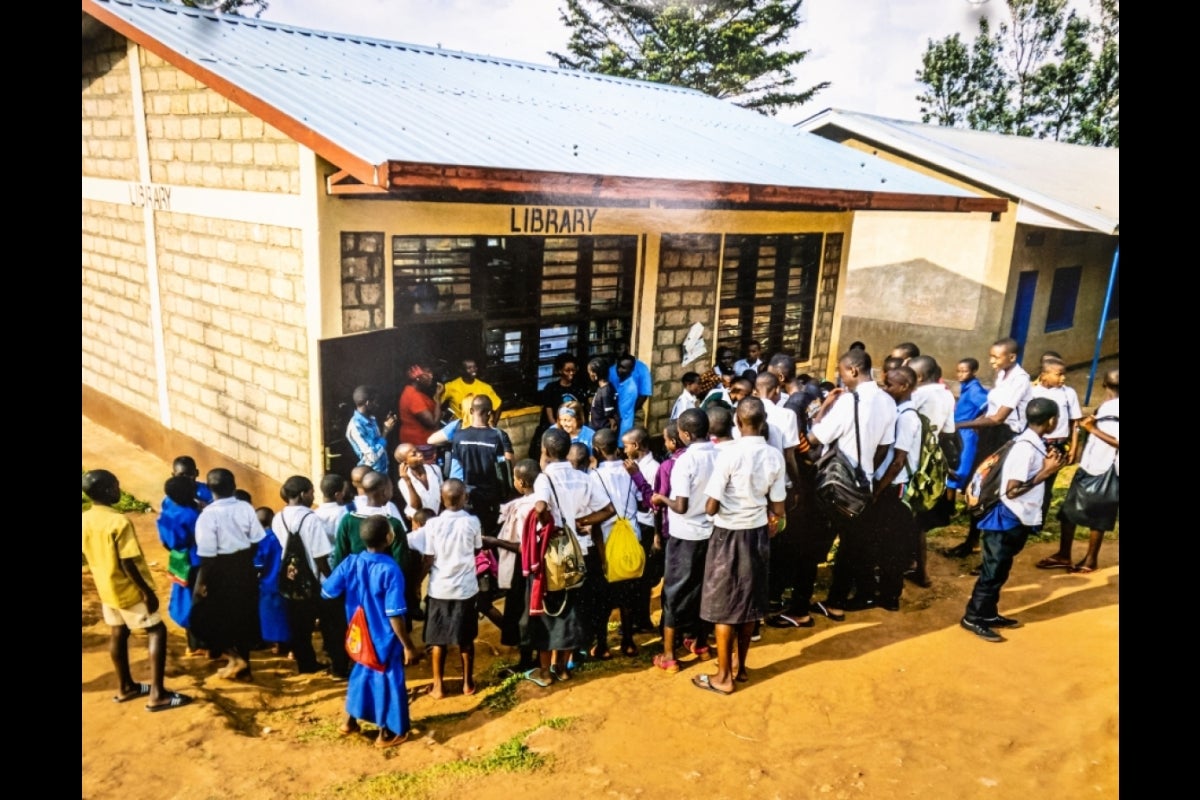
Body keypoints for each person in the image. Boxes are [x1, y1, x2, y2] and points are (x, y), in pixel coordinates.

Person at [694, 397, 786, 695]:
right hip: (757, 533)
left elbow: (710, 507)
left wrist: (716, 503)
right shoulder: (774, 456)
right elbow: (780, 507)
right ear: (763, 424)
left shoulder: (729, 456)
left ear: (737, 423)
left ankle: (723, 677)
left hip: (728, 535)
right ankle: (740, 668)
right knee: (748, 604)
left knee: (723, 608)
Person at [83, 469, 192, 711]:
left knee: (118, 632)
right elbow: (127, 561)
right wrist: (146, 591)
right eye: (114, 487)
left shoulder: (85, 519)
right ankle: (158, 695)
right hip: (128, 588)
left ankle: (126, 687)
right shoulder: (119, 522)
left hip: (106, 588)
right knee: (157, 631)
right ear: (104, 491)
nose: (118, 490)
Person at [961, 398, 1065, 642]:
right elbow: (1012, 490)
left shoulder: (1031, 442)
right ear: (1051, 421)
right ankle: (973, 617)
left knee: (1001, 570)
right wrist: (1045, 473)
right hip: (1006, 517)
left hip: (1016, 517)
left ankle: (987, 613)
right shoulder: (1025, 448)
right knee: (992, 572)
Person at [806, 348, 895, 621]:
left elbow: (815, 438)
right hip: (862, 485)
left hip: (836, 486)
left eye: (842, 372)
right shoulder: (887, 401)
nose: (841, 378)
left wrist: (821, 412)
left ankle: (800, 603)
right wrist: (863, 467)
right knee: (849, 544)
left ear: (853, 370)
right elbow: (884, 447)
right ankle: (835, 602)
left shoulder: (848, 402)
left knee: (816, 539)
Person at [523, 428, 614, 686]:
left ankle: (544, 671)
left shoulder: (544, 479)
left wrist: (548, 526)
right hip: (578, 552)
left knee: (547, 611)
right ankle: (562, 668)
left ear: (545, 451)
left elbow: (540, 507)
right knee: (570, 611)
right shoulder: (583, 478)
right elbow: (607, 510)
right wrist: (579, 521)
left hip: (552, 555)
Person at [322, 515, 422, 747]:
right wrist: (408, 645)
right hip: (383, 637)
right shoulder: (390, 569)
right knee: (388, 680)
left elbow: (328, 592)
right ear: (389, 538)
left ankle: (349, 721)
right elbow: (394, 613)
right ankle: (385, 733)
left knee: (361, 672)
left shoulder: (350, 562)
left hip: (358, 634)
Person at [944, 338, 1034, 559]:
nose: (991, 361)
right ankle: (972, 541)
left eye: (996, 357)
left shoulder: (1020, 380)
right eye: (991, 356)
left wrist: (960, 424)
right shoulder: (1003, 374)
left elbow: (999, 418)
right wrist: (977, 424)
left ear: (1011, 357)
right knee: (979, 486)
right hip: (990, 435)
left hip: (1006, 437)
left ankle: (990, 554)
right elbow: (990, 410)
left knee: (993, 491)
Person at [651, 408, 717, 672]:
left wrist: (660, 499)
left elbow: (680, 506)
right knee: (701, 589)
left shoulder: (685, 462)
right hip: (710, 531)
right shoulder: (719, 452)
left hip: (684, 535)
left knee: (673, 594)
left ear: (686, 434)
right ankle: (700, 644)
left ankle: (669, 655)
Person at [1037, 368, 1119, 573]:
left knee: (1098, 515)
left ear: (1103, 384)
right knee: (1069, 511)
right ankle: (1064, 555)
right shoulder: (1106, 406)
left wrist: (1092, 429)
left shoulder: (1112, 409)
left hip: (1107, 466)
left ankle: (1090, 560)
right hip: (1091, 464)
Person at [190, 469, 266, 681]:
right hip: (244, 566)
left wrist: (202, 583)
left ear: (210, 489)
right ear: (234, 486)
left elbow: (207, 554)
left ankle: (235, 659)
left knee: (208, 618)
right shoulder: (245, 507)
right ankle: (243, 666)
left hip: (218, 569)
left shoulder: (207, 516)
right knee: (242, 616)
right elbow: (257, 538)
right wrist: (245, 559)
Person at [420, 480, 483, 698]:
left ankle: (438, 686)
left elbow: (428, 559)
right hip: (465, 589)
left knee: (438, 640)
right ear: (465, 497)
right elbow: (477, 550)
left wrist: (417, 581)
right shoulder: (473, 522)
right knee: (466, 639)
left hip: (439, 588)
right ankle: (468, 683)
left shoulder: (432, 525)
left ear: (441, 498)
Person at [867, 366, 922, 612]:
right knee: (882, 538)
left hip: (895, 487)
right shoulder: (897, 411)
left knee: (893, 543)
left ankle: (890, 596)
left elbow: (899, 460)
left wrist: (878, 490)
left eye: (890, 384)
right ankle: (884, 586)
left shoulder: (907, 417)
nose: (885, 388)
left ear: (905, 387)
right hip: (888, 485)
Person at [273, 476, 337, 675]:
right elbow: (320, 557)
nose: (312, 496)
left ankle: (305, 662)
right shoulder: (311, 519)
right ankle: (330, 659)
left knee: (298, 624)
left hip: (290, 577)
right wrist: (333, 580)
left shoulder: (278, 517)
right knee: (326, 621)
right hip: (312, 579)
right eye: (311, 492)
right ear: (302, 494)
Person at [591, 427, 645, 658]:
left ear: (596, 450)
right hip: (632, 537)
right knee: (628, 596)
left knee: (603, 598)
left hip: (606, 541)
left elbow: (593, 514)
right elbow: (643, 504)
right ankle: (629, 642)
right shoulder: (630, 470)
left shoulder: (593, 476)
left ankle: (602, 646)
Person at [488, 458, 542, 674]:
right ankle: (541, 655)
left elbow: (523, 547)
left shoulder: (523, 508)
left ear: (521, 482)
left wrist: (495, 542)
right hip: (541, 563)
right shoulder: (544, 500)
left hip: (525, 565)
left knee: (523, 612)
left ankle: (527, 660)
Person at [1030, 356, 1083, 524]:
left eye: (1064, 374)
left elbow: (1075, 422)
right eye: (1059, 374)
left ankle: (1038, 522)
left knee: (1047, 484)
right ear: (1044, 375)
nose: (1063, 378)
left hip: (1057, 444)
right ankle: (1026, 518)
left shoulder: (1068, 393)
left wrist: (1074, 447)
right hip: (1037, 443)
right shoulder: (1033, 391)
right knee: (1032, 480)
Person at [449, 395, 509, 537]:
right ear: (490, 413)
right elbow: (503, 470)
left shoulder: (459, 436)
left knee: (470, 535)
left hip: (468, 497)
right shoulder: (497, 436)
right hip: (490, 498)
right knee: (489, 536)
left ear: (471, 411)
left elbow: (455, 472)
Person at [157, 475, 204, 655]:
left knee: (184, 595)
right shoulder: (192, 515)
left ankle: (192, 644)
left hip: (177, 558)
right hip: (195, 560)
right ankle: (199, 645)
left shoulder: (168, 509)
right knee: (198, 599)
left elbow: (165, 542)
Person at [621, 426, 661, 633]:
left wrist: (656, 535)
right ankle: (637, 618)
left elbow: (653, 504)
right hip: (636, 525)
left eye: (626, 445)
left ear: (636, 445)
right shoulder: (633, 465)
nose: (624, 449)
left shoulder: (652, 468)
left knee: (644, 578)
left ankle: (642, 619)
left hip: (646, 525)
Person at [947, 358, 989, 502]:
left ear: (973, 371)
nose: (960, 375)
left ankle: (950, 505)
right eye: (958, 371)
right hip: (958, 431)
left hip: (966, 433)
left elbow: (989, 405)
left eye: (964, 371)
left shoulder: (974, 390)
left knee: (960, 469)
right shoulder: (966, 386)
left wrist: (978, 421)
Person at [530, 353, 582, 459]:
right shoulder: (551, 388)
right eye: (567, 370)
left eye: (573, 370)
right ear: (559, 371)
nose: (571, 373)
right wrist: (560, 431)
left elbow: (581, 413)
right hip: (556, 432)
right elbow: (550, 415)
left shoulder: (578, 389)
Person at [253, 506, 289, 654]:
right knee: (283, 616)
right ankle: (286, 647)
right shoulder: (279, 537)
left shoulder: (260, 541)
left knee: (270, 618)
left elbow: (258, 565)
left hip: (267, 585)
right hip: (282, 583)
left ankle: (275, 644)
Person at [346, 385, 397, 476]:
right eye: (376, 402)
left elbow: (376, 443)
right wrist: (385, 432)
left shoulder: (371, 419)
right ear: (368, 403)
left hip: (382, 471)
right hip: (370, 476)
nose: (377, 405)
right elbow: (372, 456)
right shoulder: (355, 427)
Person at [441, 358, 501, 425]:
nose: (473, 370)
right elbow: (437, 403)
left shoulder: (485, 387)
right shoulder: (451, 386)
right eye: (469, 368)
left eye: (474, 367)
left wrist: (493, 425)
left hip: (478, 429)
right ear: (462, 370)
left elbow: (498, 405)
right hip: (460, 430)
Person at [397, 363, 443, 448]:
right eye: (427, 373)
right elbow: (432, 423)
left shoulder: (411, 392)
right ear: (418, 378)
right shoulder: (414, 396)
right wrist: (438, 399)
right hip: (420, 443)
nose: (431, 376)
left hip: (416, 441)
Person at [395, 442, 443, 521]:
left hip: (437, 518)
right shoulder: (403, 482)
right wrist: (408, 482)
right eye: (414, 454)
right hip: (420, 521)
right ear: (405, 462)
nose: (420, 454)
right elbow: (417, 507)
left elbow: (441, 494)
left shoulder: (435, 470)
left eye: (418, 451)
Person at [587, 357, 619, 432]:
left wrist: (611, 429)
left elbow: (610, 414)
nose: (589, 375)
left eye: (590, 372)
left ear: (594, 374)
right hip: (597, 428)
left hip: (602, 431)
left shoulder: (605, 391)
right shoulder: (603, 388)